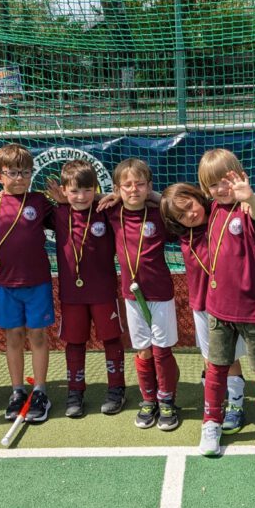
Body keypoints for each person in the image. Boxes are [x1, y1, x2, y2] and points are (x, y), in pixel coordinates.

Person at [197, 148, 255, 458]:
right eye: (213, 184)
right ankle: (211, 422)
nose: (221, 189)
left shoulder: (247, 210)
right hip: (217, 307)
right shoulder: (212, 209)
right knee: (216, 368)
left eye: (226, 181)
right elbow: (179, 202)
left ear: (238, 177)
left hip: (251, 308)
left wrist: (250, 197)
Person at [160, 182, 247, 434]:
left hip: (228, 305)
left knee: (230, 358)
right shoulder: (182, 234)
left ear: (199, 197)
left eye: (190, 205)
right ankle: (215, 399)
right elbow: (155, 204)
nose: (190, 214)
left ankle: (236, 404)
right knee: (210, 359)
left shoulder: (219, 218)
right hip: (202, 305)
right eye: (181, 215)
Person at [103, 158, 180, 431]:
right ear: (117, 188)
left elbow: (179, 206)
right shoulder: (111, 213)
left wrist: (154, 197)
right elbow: (85, 201)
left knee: (162, 349)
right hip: (132, 295)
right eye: (127, 185)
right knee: (143, 350)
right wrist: (112, 196)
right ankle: (149, 399)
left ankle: (166, 399)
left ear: (149, 186)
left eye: (140, 184)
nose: (133, 189)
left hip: (160, 293)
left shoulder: (160, 214)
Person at [0, 143, 55, 424]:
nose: (21, 178)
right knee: (13, 337)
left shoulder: (39, 201)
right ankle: (17, 390)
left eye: (26, 172)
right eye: (13, 172)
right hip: (7, 284)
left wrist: (63, 199)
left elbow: (69, 214)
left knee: (37, 335)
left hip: (38, 283)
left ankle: (40, 391)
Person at [54, 160, 125, 418]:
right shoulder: (57, 213)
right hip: (72, 295)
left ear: (95, 189)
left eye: (87, 190)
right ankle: (75, 392)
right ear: (63, 190)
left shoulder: (105, 210)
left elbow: (132, 200)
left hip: (103, 291)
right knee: (74, 342)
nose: (81, 196)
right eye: (74, 191)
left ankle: (116, 388)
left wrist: (106, 196)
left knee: (111, 339)